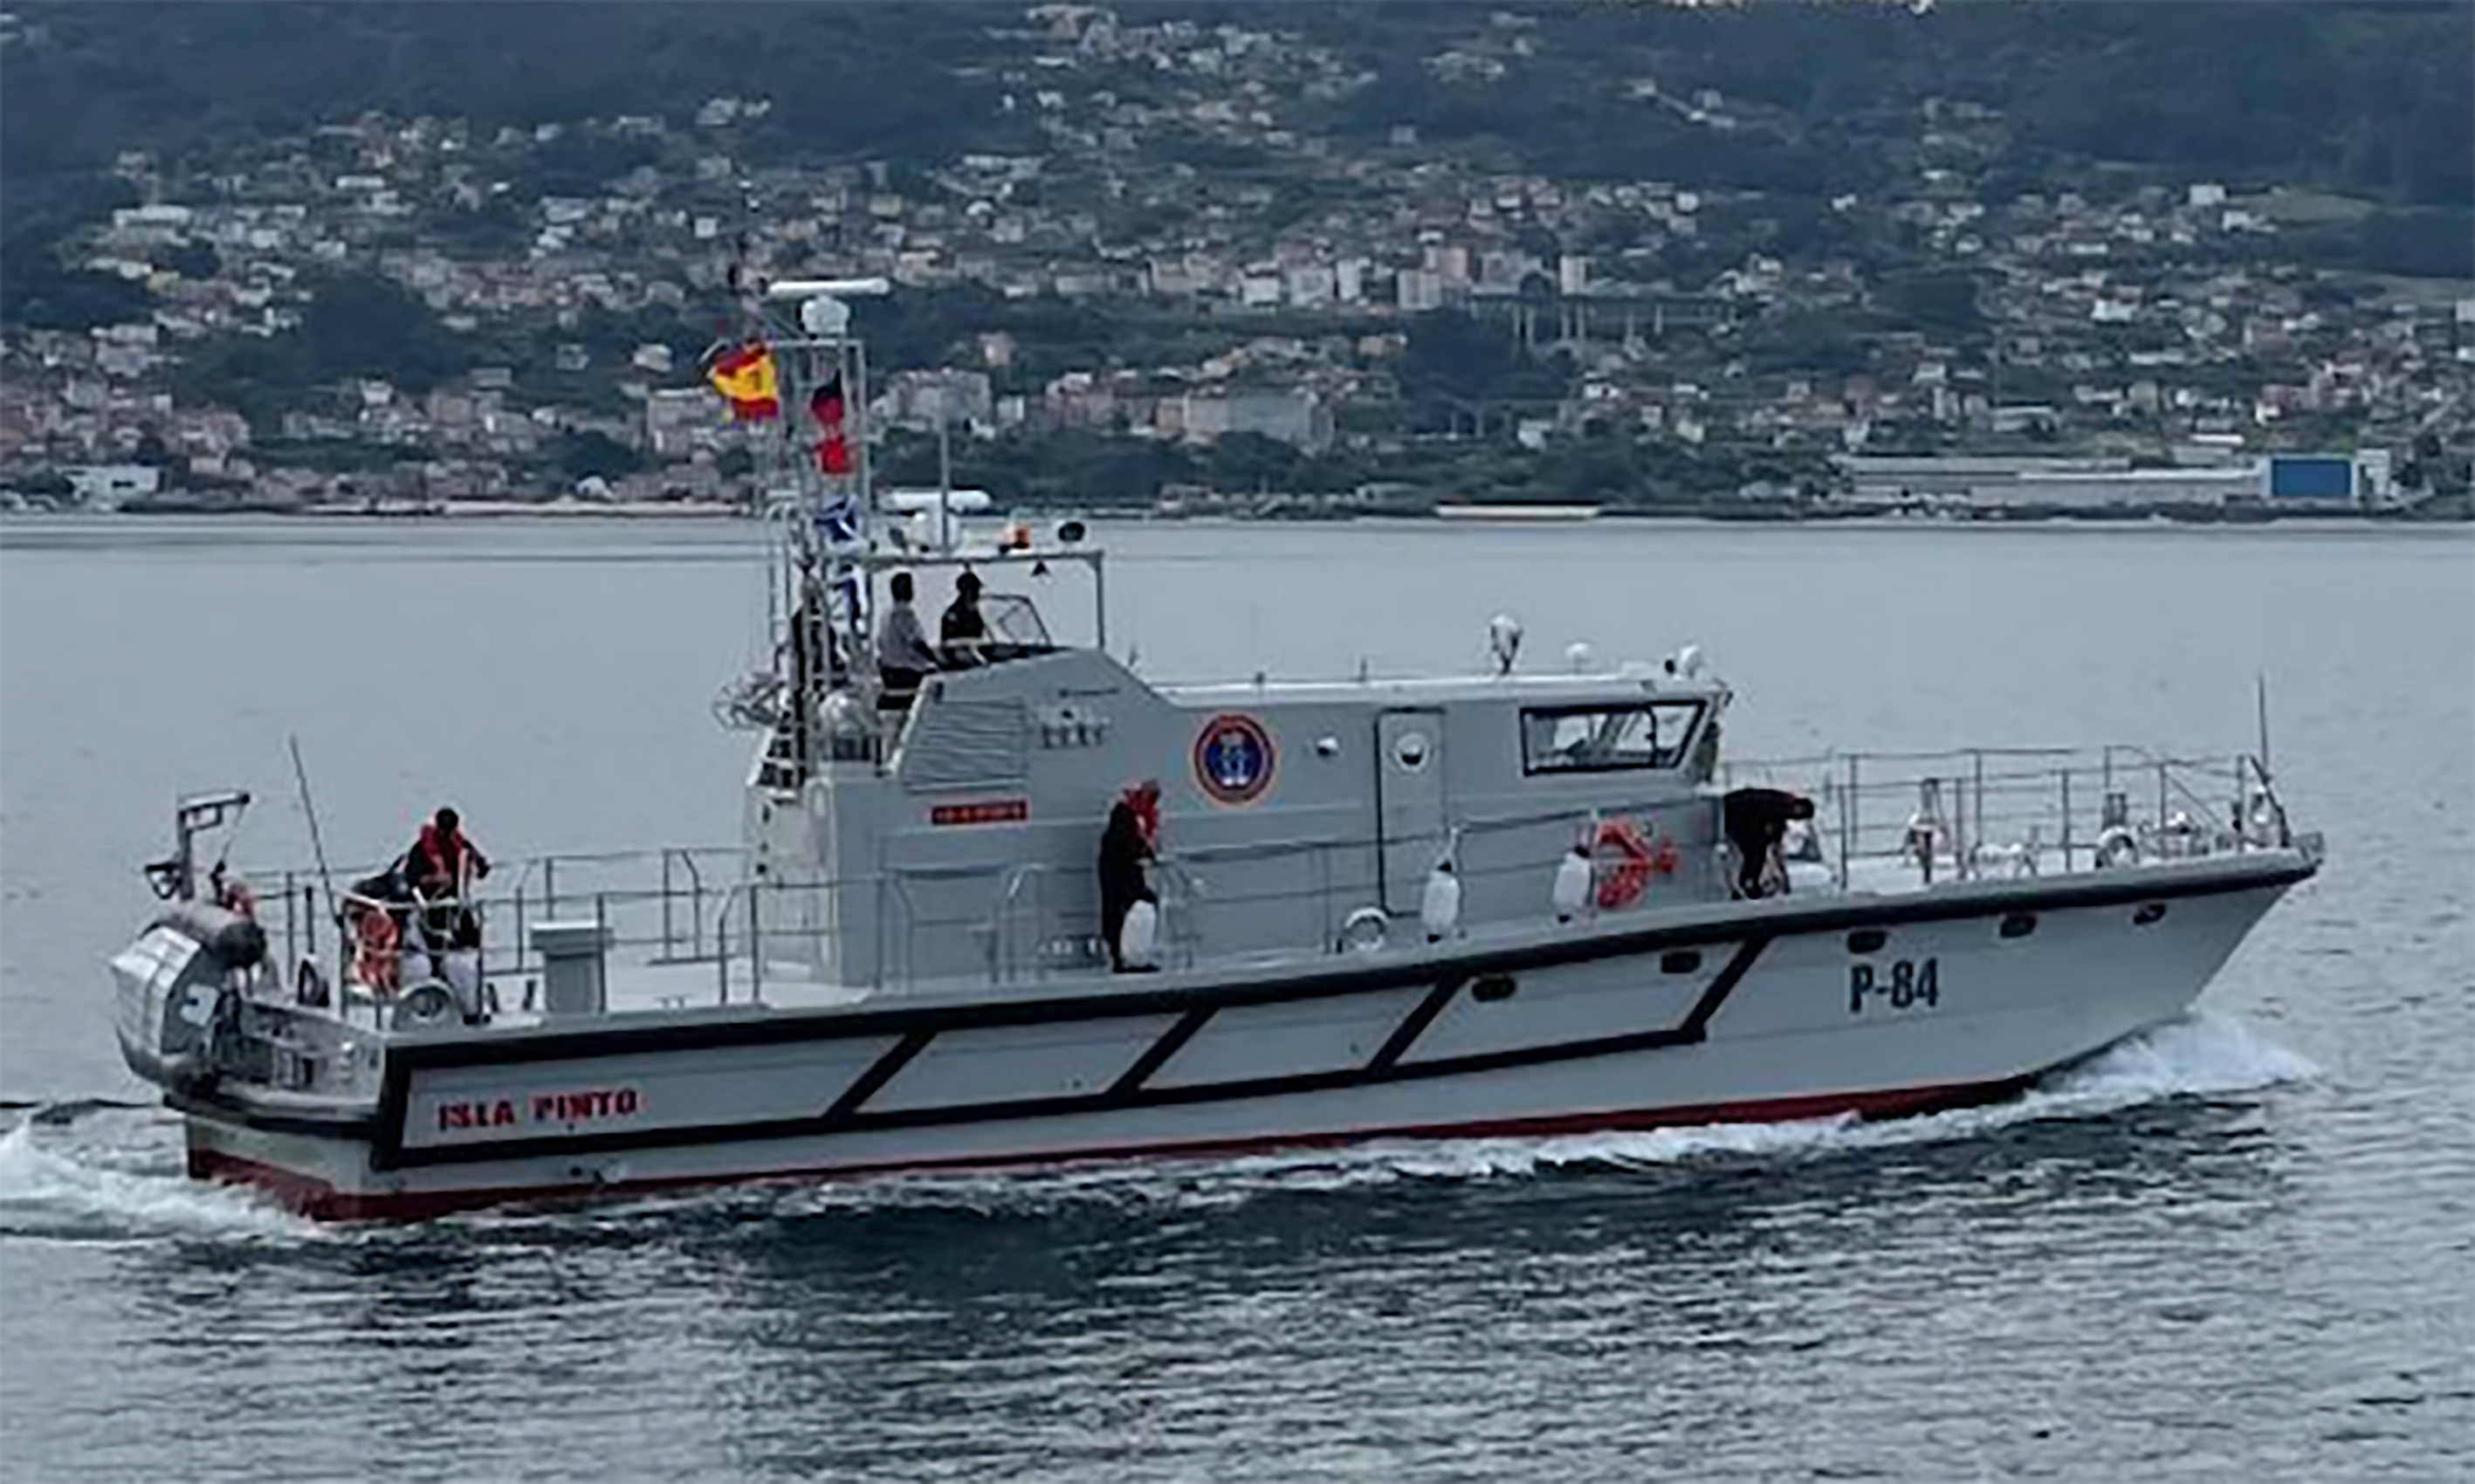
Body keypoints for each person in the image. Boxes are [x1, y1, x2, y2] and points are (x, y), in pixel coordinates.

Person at [1097, 780, 1160, 973]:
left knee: (1141, 906)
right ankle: (1121, 957)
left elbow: (1143, 842)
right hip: (1119, 875)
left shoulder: (1141, 817)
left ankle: (1137, 956)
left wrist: (1148, 855)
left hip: (1131, 873)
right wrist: (1138, 854)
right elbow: (1123, 844)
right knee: (1119, 914)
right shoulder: (1123, 815)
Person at [1721, 787, 1814, 900]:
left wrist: (1773, 835)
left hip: (1741, 815)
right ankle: (1746, 882)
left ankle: (1748, 881)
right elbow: (1765, 813)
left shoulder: (1784, 803)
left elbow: (1773, 824)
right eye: (1800, 813)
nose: (1796, 816)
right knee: (1755, 851)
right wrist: (1772, 836)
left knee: (1757, 849)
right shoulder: (1782, 804)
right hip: (1737, 814)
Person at [876, 571, 940, 703]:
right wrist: (937, 659)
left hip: (889, 671)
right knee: (938, 676)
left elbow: (880, 643)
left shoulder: (885, 615)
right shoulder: (904, 613)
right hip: (906, 671)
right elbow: (916, 642)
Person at [406, 807, 489, 899]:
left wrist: (481, 866)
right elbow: (412, 879)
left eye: (451, 831)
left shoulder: (459, 843)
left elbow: (473, 855)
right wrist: (436, 879)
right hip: (425, 896)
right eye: (445, 831)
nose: (448, 836)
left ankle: (460, 898)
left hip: (450, 894)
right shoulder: (421, 851)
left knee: (465, 857)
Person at [939, 569, 988, 665]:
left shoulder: (975, 612)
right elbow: (949, 642)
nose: (978, 594)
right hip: (961, 657)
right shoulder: (953, 613)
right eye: (975, 590)